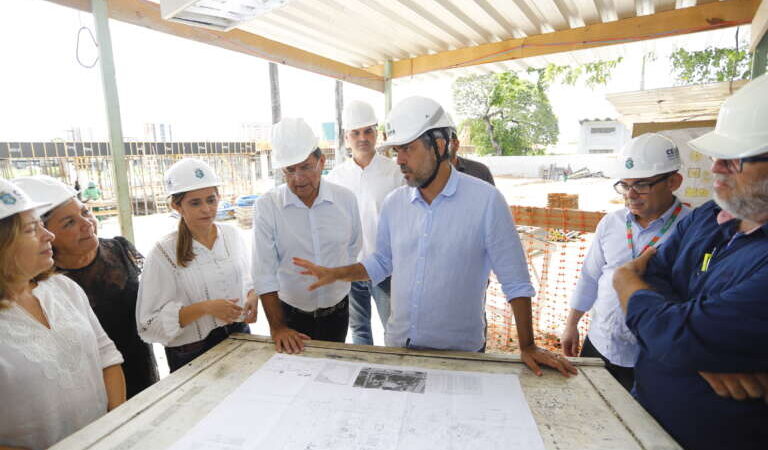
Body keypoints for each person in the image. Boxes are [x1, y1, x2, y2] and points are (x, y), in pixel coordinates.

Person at [294, 96, 576, 377]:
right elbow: (382, 262)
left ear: (439, 145)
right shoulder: (395, 203)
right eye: (396, 151)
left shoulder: (486, 201)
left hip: (461, 355)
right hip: (401, 348)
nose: (399, 160)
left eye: (407, 149)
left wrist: (527, 345)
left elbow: (515, 281)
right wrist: (336, 274)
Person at [613, 74, 768, 450]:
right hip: (646, 412)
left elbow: (674, 333)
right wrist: (695, 341)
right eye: (717, 156)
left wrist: (625, 282)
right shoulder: (707, 218)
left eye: (735, 160)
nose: (716, 169)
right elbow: (662, 282)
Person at [0, 178, 125, 450]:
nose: (49, 236)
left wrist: (115, 428)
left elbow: (107, 357)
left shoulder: (63, 288)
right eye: (33, 229)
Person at [560, 134, 690, 391]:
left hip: (653, 355)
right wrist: (571, 325)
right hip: (600, 343)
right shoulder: (612, 223)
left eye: (642, 184)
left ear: (673, 181)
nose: (631, 194)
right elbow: (590, 276)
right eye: (624, 185)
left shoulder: (692, 227)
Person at [14, 175, 159, 398]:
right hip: (89, 387)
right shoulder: (47, 285)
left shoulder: (119, 250)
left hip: (139, 368)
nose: (87, 224)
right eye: (69, 222)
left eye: (85, 212)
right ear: (44, 233)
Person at [137, 158, 258, 372]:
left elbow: (248, 279)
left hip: (239, 336)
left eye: (211, 200)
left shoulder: (232, 236)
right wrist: (206, 308)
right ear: (176, 205)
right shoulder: (163, 253)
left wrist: (252, 296)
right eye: (195, 203)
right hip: (192, 353)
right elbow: (148, 324)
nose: (206, 209)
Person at [252, 118, 361, 354]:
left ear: (321, 161)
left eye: (305, 167)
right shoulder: (267, 206)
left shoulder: (346, 200)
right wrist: (277, 328)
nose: (298, 179)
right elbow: (264, 271)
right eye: (290, 170)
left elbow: (353, 248)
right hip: (290, 317)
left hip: (338, 313)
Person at [326, 100, 402, 345]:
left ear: (377, 134)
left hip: (386, 270)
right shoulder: (336, 178)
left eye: (368, 131)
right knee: (359, 330)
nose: (362, 138)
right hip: (351, 268)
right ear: (346, 137)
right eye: (356, 132)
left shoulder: (395, 172)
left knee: (394, 328)